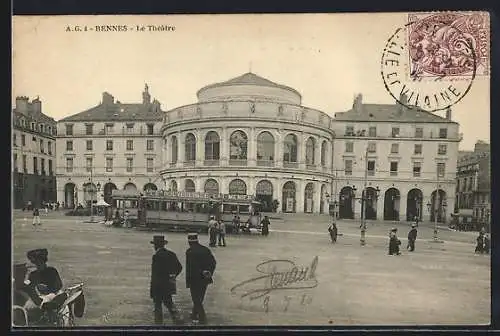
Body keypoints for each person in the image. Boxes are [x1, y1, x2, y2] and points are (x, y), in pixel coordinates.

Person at [149, 235, 183, 324]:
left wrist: (153, 287)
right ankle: (178, 319)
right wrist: (173, 275)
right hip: (168, 284)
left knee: (157, 306)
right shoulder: (171, 254)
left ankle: (158, 324)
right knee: (169, 303)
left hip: (158, 285)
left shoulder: (156, 256)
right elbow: (179, 267)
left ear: (156, 245)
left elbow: (155, 274)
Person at [185, 233, 216, 325]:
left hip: (194, 279)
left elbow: (192, 267)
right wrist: (209, 272)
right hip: (205, 279)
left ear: (189, 241)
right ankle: (194, 314)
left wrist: (200, 272)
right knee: (200, 297)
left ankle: (202, 317)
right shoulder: (205, 250)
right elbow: (213, 262)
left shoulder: (189, 252)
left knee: (196, 298)